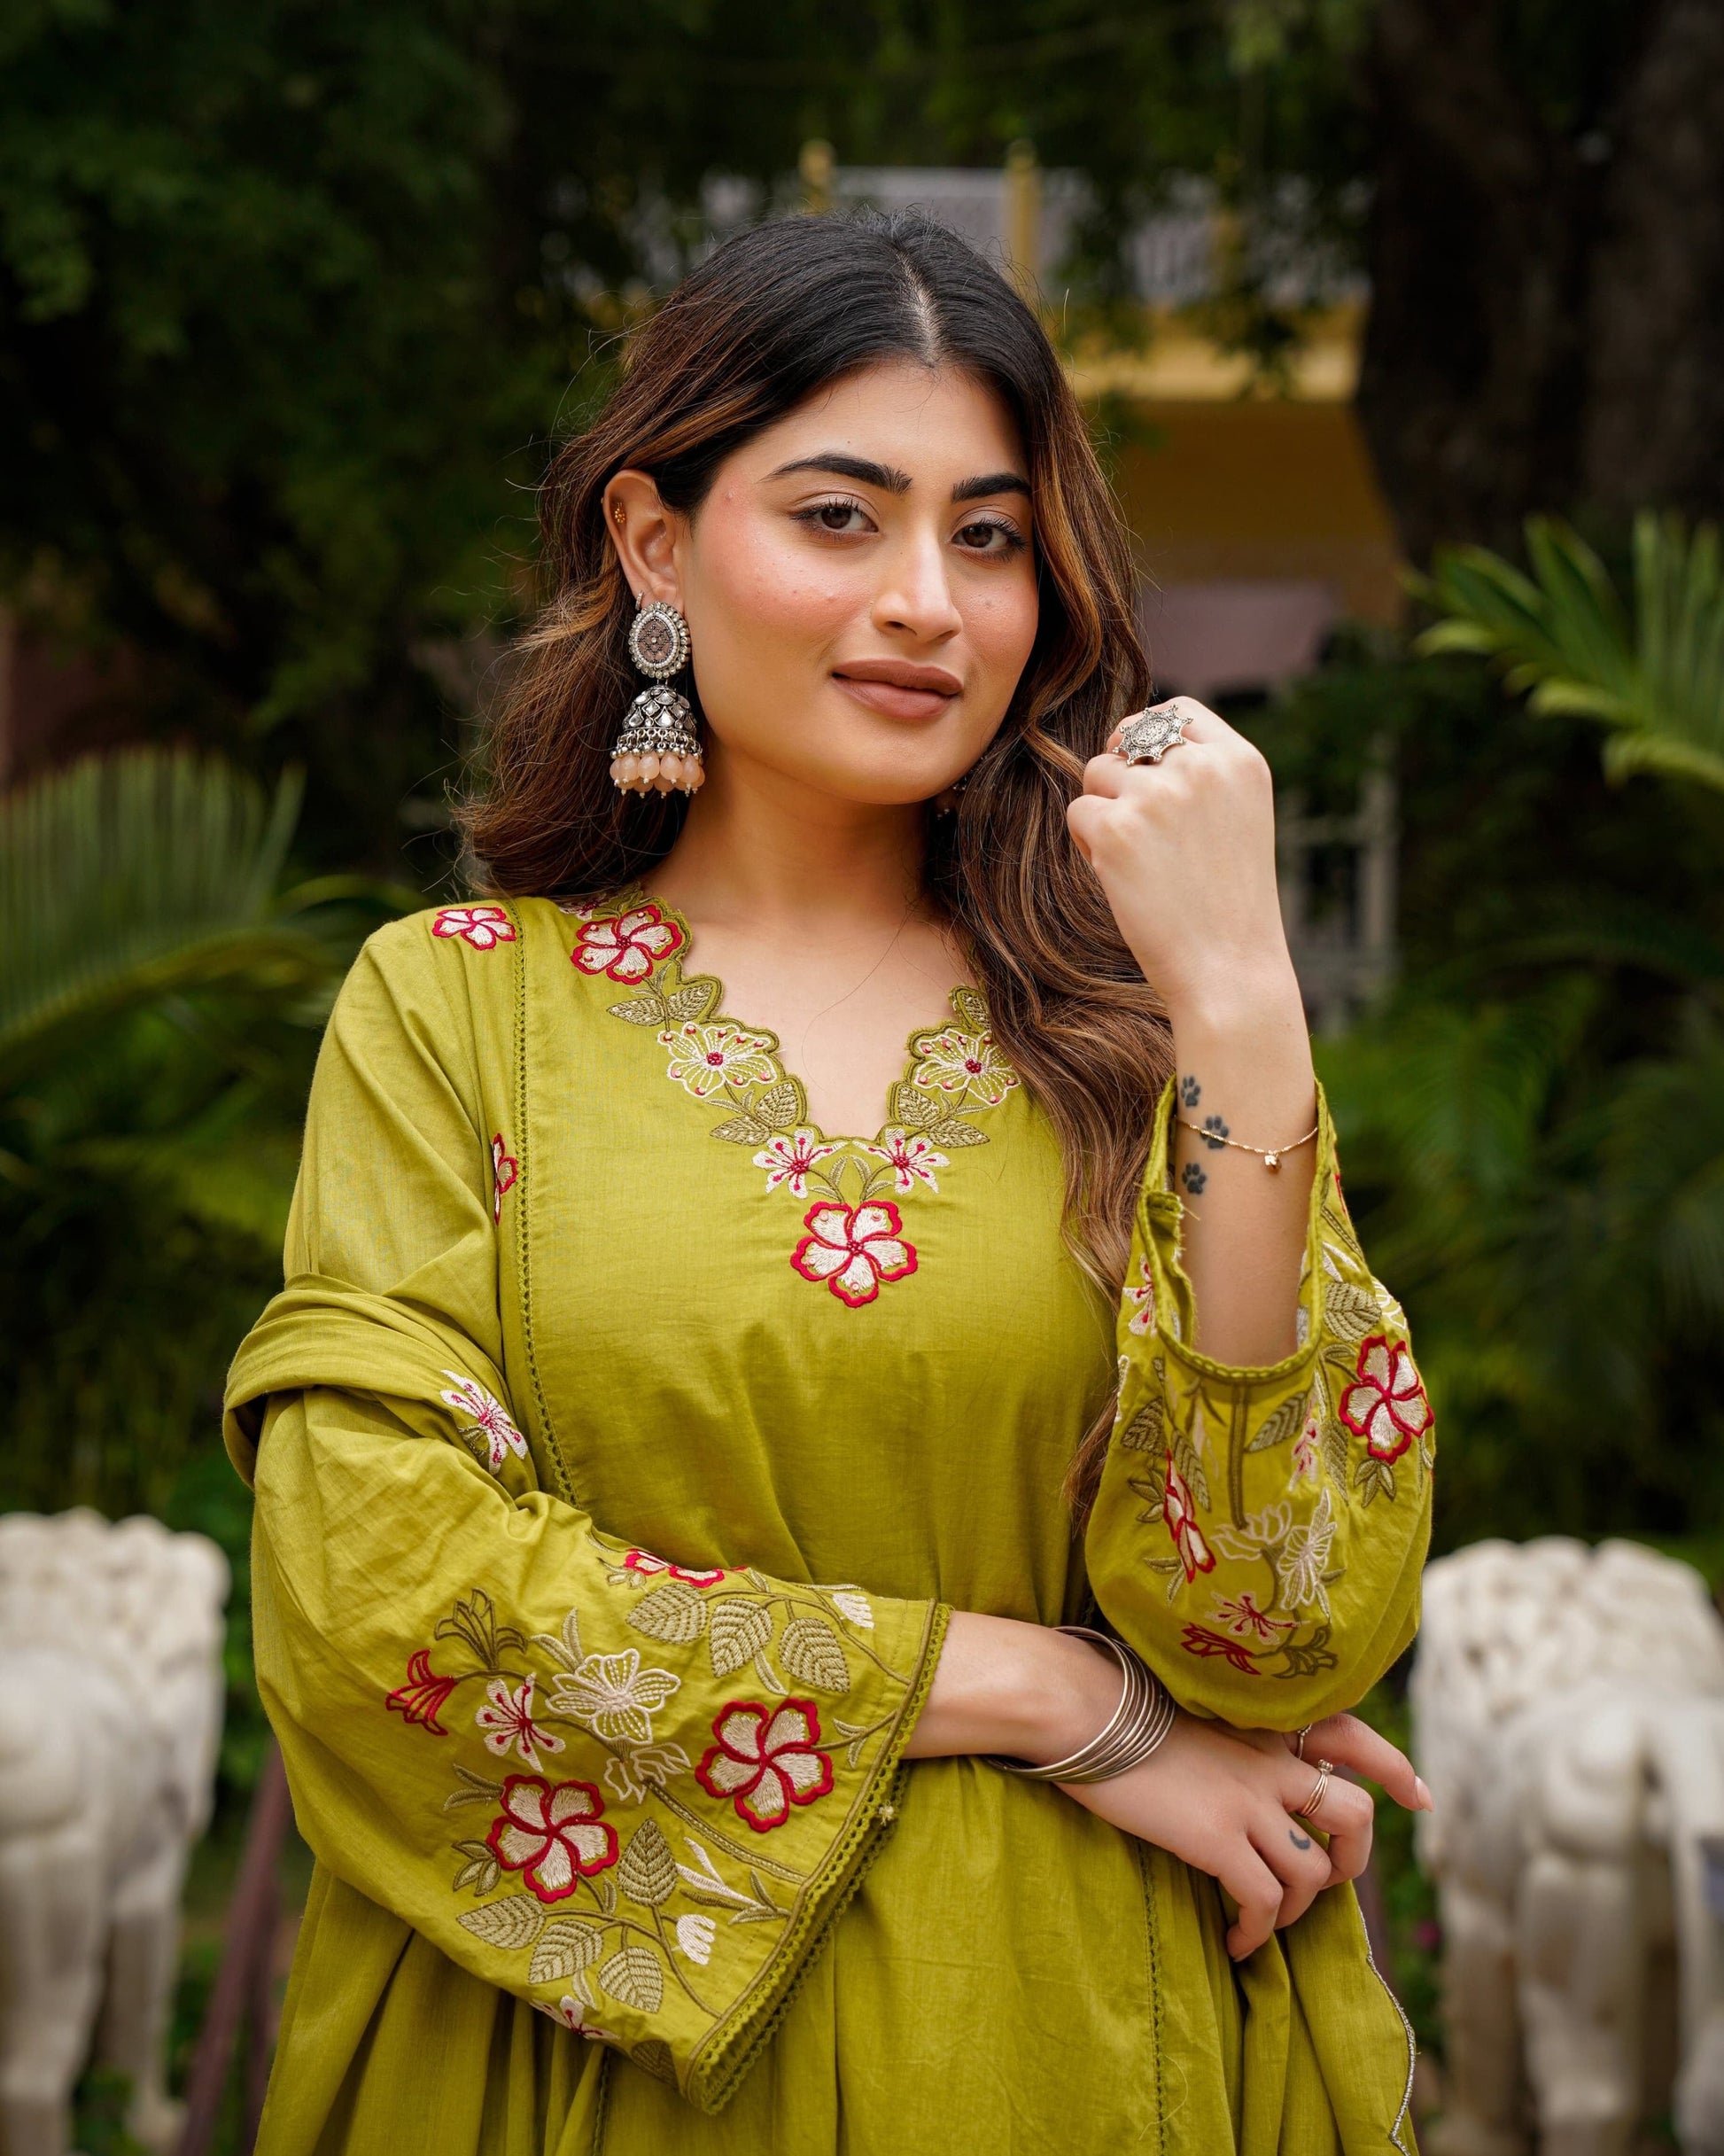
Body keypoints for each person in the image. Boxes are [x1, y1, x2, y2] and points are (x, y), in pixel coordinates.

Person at [225, 209, 1435, 2156]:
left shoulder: (1142, 1044)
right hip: (599, 2072)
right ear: (651, 544)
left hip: (1073, 2036)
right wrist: (1047, 1692)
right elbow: (380, 1603)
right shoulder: (455, 1016)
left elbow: (1279, 1620)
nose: (927, 605)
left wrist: (1240, 999)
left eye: (988, 533)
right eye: (840, 516)